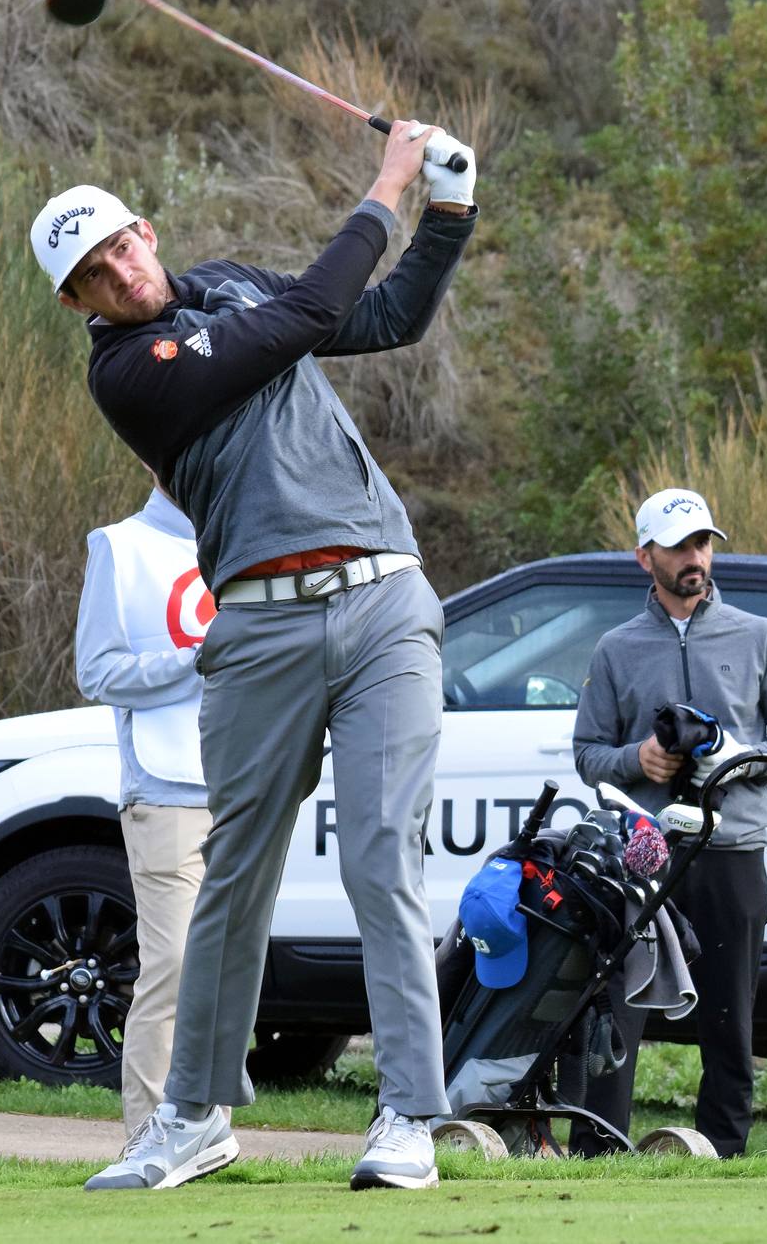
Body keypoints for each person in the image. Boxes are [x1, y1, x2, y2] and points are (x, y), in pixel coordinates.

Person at [37, 118, 478, 1192]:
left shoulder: (229, 284)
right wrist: (387, 184)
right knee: (233, 872)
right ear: (77, 306)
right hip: (260, 626)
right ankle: (191, 1115)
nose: (120, 273)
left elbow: (379, 317)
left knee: (382, 855)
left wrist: (450, 215)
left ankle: (408, 1118)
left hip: (382, 602)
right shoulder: (130, 375)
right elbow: (309, 315)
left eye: (121, 247)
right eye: (94, 274)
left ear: (146, 231)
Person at [570, 487, 767, 1157]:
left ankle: (724, 1151)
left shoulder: (757, 635)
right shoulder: (615, 649)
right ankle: (598, 1147)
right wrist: (636, 759)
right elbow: (587, 753)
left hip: (733, 847)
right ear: (643, 555)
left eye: (703, 543)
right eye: (679, 546)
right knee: (616, 1002)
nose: (695, 558)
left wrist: (743, 760)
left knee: (730, 1013)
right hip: (643, 853)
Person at [73, 479, 215, 1134]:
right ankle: (152, 1135)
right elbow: (96, 671)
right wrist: (191, 662)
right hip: (166, 788)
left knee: (219, 970)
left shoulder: (243, 543)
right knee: (176, 965)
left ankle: (206, 1131)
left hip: (243, 785)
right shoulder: (119, 546)